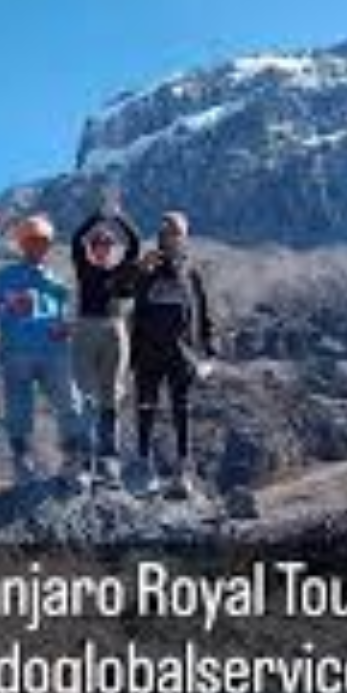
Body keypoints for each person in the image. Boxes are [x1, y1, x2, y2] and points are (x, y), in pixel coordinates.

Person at [0, 214, 87, 491]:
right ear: (22, 243)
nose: (39, 246)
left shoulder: (56, 280)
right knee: (19, 410)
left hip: (55, 352)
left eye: (44, 241)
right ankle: (23, 465)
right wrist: (9, 306)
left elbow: (66, 313)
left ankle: (73, 465)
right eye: (32, 240)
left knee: (71, 404)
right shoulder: (2, 277)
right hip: (17, 352)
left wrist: (66, 327)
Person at [131, 211, 217, 500]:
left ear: (184, 237)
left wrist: (209, 351)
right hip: (147, 351)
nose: (169, 237)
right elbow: (122, 292)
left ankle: (183, 471)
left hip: (182, 353)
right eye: (165, 232)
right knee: (146, 407)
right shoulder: (147, 267)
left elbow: (203, 313)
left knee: (182, 410)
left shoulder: (191, 272)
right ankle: (144, 467)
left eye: (175, 232)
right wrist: (138, 270)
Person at [70, 199, 142, 486]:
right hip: (86, 328)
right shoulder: (84, 267)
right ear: (92, 248)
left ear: (112, 248)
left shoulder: (121, 270)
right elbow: (76, 240)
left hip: (114, 329)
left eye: (108, 244)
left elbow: (135, 244)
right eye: (98, 244)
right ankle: (84, 459)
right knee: (85, 393)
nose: (103, 248)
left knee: (112, 393)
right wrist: (97, 216)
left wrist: (119, 218)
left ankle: (109, 458)